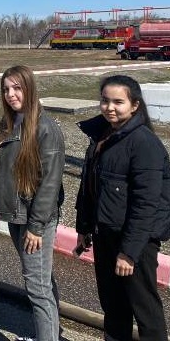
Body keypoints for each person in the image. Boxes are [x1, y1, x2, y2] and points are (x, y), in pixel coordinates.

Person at [75, 75, 168, 341]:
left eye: (118, 102)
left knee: (145, 309)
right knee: (113, 306)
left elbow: (146, 203)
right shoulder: (102, 136)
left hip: (135, 242)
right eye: (105, 101)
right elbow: (89, 189)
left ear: (135, 105)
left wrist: (129, 252)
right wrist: (83, 228)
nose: (110, 108)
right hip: (105, 235)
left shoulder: (144, 143)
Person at [0, 65, 65, 341]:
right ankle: (50, 333)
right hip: (16, 216)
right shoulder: (8, 122)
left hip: (35, 220)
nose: (11, 94)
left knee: (37, 287)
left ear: (30, 88)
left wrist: (36, 227)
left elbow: (50, 183)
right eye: (6, 89)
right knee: (42, 281)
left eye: (17, 88)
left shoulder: (46, 128)